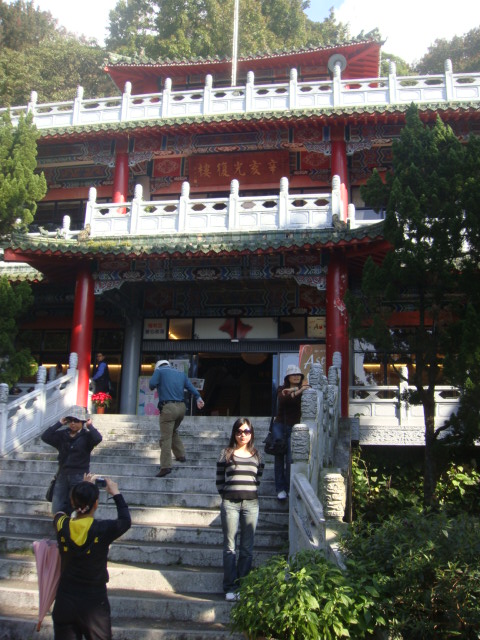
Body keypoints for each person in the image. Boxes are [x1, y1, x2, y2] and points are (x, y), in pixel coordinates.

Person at [52, 474, 131, 640]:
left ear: (73, 502)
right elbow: (125, 521)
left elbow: (60, 511)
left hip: (65, 598)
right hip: (94, 601)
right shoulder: (103, 529)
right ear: (96, 504)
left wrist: (79, 489)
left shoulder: (61, 524)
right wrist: (116, 493)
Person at [216, 417, 264, 602]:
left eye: (246, 431)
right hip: (230, 503)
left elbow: (257, 478)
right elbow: (219, 480)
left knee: (247, 547)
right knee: (230, 547)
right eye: (239, 431)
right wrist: (228, 494)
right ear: (234, 434)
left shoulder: (257, 455)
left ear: (251, 434)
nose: (243, 435)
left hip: (251, 504)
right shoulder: (226, 453)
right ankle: (230, 586)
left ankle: (242, 585)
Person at [41, 406, 102, 514]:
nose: (73, 423)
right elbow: (45, 436)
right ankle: (58, 522)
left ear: (82, 422)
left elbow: (98, 438)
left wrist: (90, 426)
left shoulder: (87, 436)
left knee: (77, 506)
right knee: (57, 505)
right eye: (70, 420)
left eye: (76, 420)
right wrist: (59, 423)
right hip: (63, 474)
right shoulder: (62, 435)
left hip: (79, 475)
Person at [149, 360, 205, 477]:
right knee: (173, 431)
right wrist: (198, 398)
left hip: (168, 408)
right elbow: (191, 387)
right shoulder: (181, 374)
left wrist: (158, 380)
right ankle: (181, 455)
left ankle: (165, 466)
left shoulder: (159, 371)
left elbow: (151, 385)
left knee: (166, 437)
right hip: (181, 408)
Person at [272, 364, 309, 501]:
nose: (296, 376)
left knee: (290, 459)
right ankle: (280, 489)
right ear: (288, 377)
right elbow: (284, 398)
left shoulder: (305, 389)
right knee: (279, 457)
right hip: (280, 426)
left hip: (295, 428)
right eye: (293, 374)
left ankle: (289, 488)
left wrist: (297, 390)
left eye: (298, 374)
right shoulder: (281, 389)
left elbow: (309, 389)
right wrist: (299, 390)